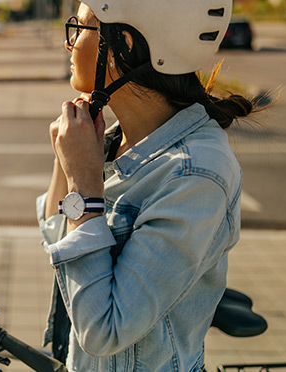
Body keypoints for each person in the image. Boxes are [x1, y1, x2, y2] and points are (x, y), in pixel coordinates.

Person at [35, 0, 255, 370]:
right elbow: (57, 236)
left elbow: (104, 332)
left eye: (81, 27)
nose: (70, 44)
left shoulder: (194, 174)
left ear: (124, 44)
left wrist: (84, 186)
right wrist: (67, 161)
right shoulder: (118, 139)